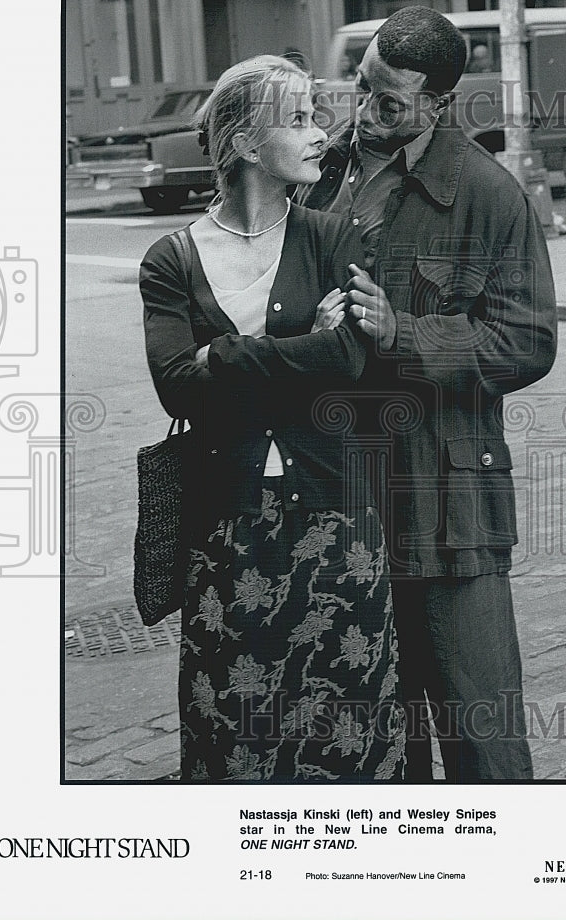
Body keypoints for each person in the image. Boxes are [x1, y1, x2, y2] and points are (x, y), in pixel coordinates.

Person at [298, 7, 558, 782]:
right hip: (336, 489)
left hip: (446, 498)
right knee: (374, 742)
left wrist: (400, 334)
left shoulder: (487, 194)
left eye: (387, 101)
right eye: (360, 88)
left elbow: (527, 342)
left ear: (437, 104)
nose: (364, 111)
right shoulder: (325, 168)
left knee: (480, 735)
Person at [139, 55, 405, 783]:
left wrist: (223, 358)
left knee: (348, 737)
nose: (321, 133)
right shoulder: (172, 259)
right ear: (249, 145)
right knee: (237, 737)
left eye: (316, 117)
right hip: (227, 534)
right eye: (298, 120)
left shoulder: (332, 237)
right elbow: (176, 388)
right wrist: (295, 348)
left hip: (338, 527)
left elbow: (350, 359)